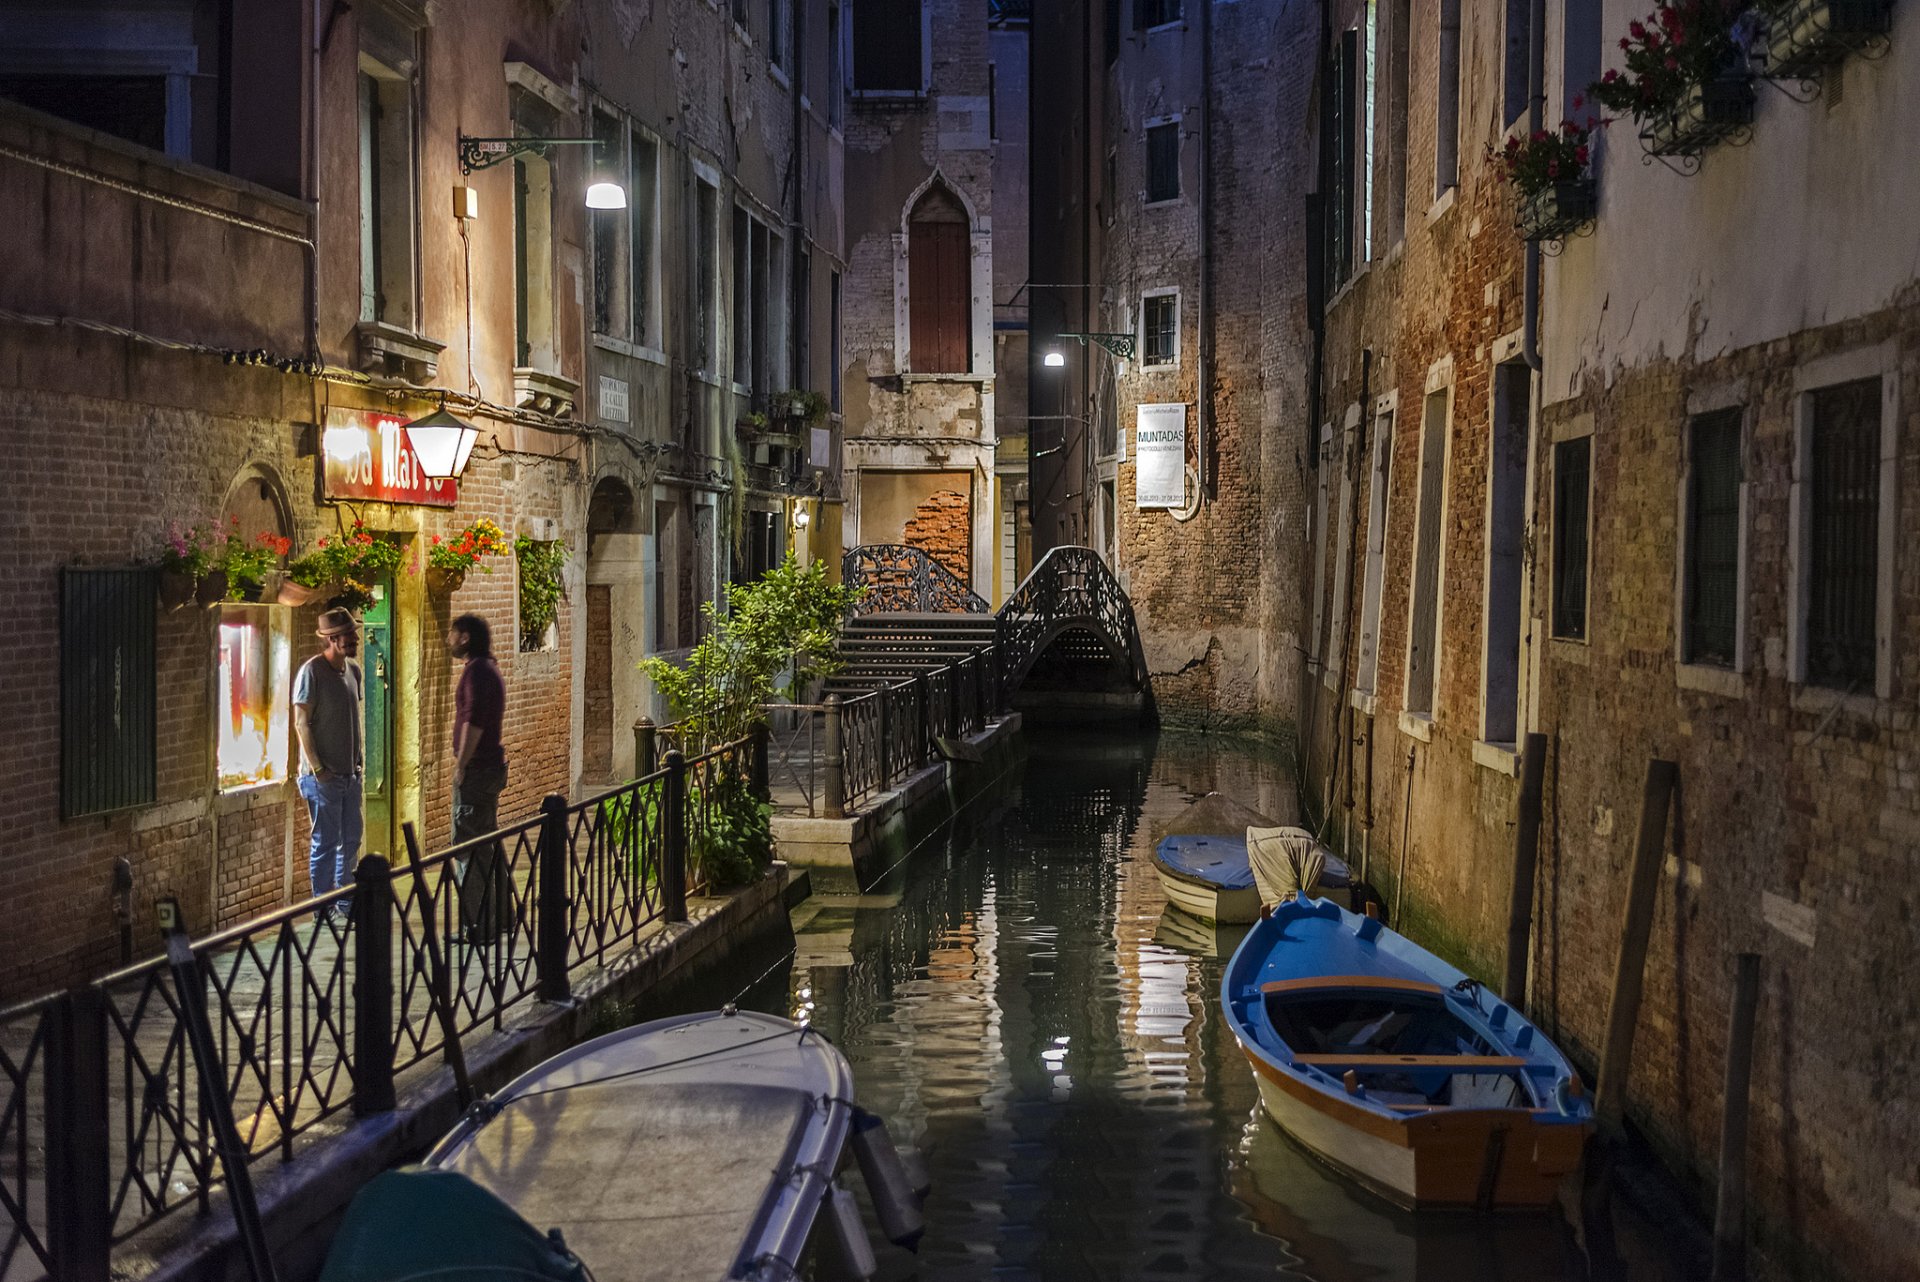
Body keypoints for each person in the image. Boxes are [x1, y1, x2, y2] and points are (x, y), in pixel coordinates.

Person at [294, 607, 365, 918]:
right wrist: (318, 769)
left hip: (350, 775)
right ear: (332, 639)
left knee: (350, 839)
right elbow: (301, 723)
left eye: (354, 634)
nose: (355, 639)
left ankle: (345, 902)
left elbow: (351, 717)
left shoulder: (354, 671)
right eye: (349, 636)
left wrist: (358, 763)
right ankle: (322, 907)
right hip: (322, 777)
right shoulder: (312, 672)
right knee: (325, 843)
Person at [448, 613, 509, 941]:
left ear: (466, 637)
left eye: (452, 634)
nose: (449, 640)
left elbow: (473, 723)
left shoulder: (476, 673)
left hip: (477, 770)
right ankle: (503, 916)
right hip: (490, 768)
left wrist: (461, 764)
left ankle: (479, 924)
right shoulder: (489, 670)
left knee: (469, 847)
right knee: (486, 842)